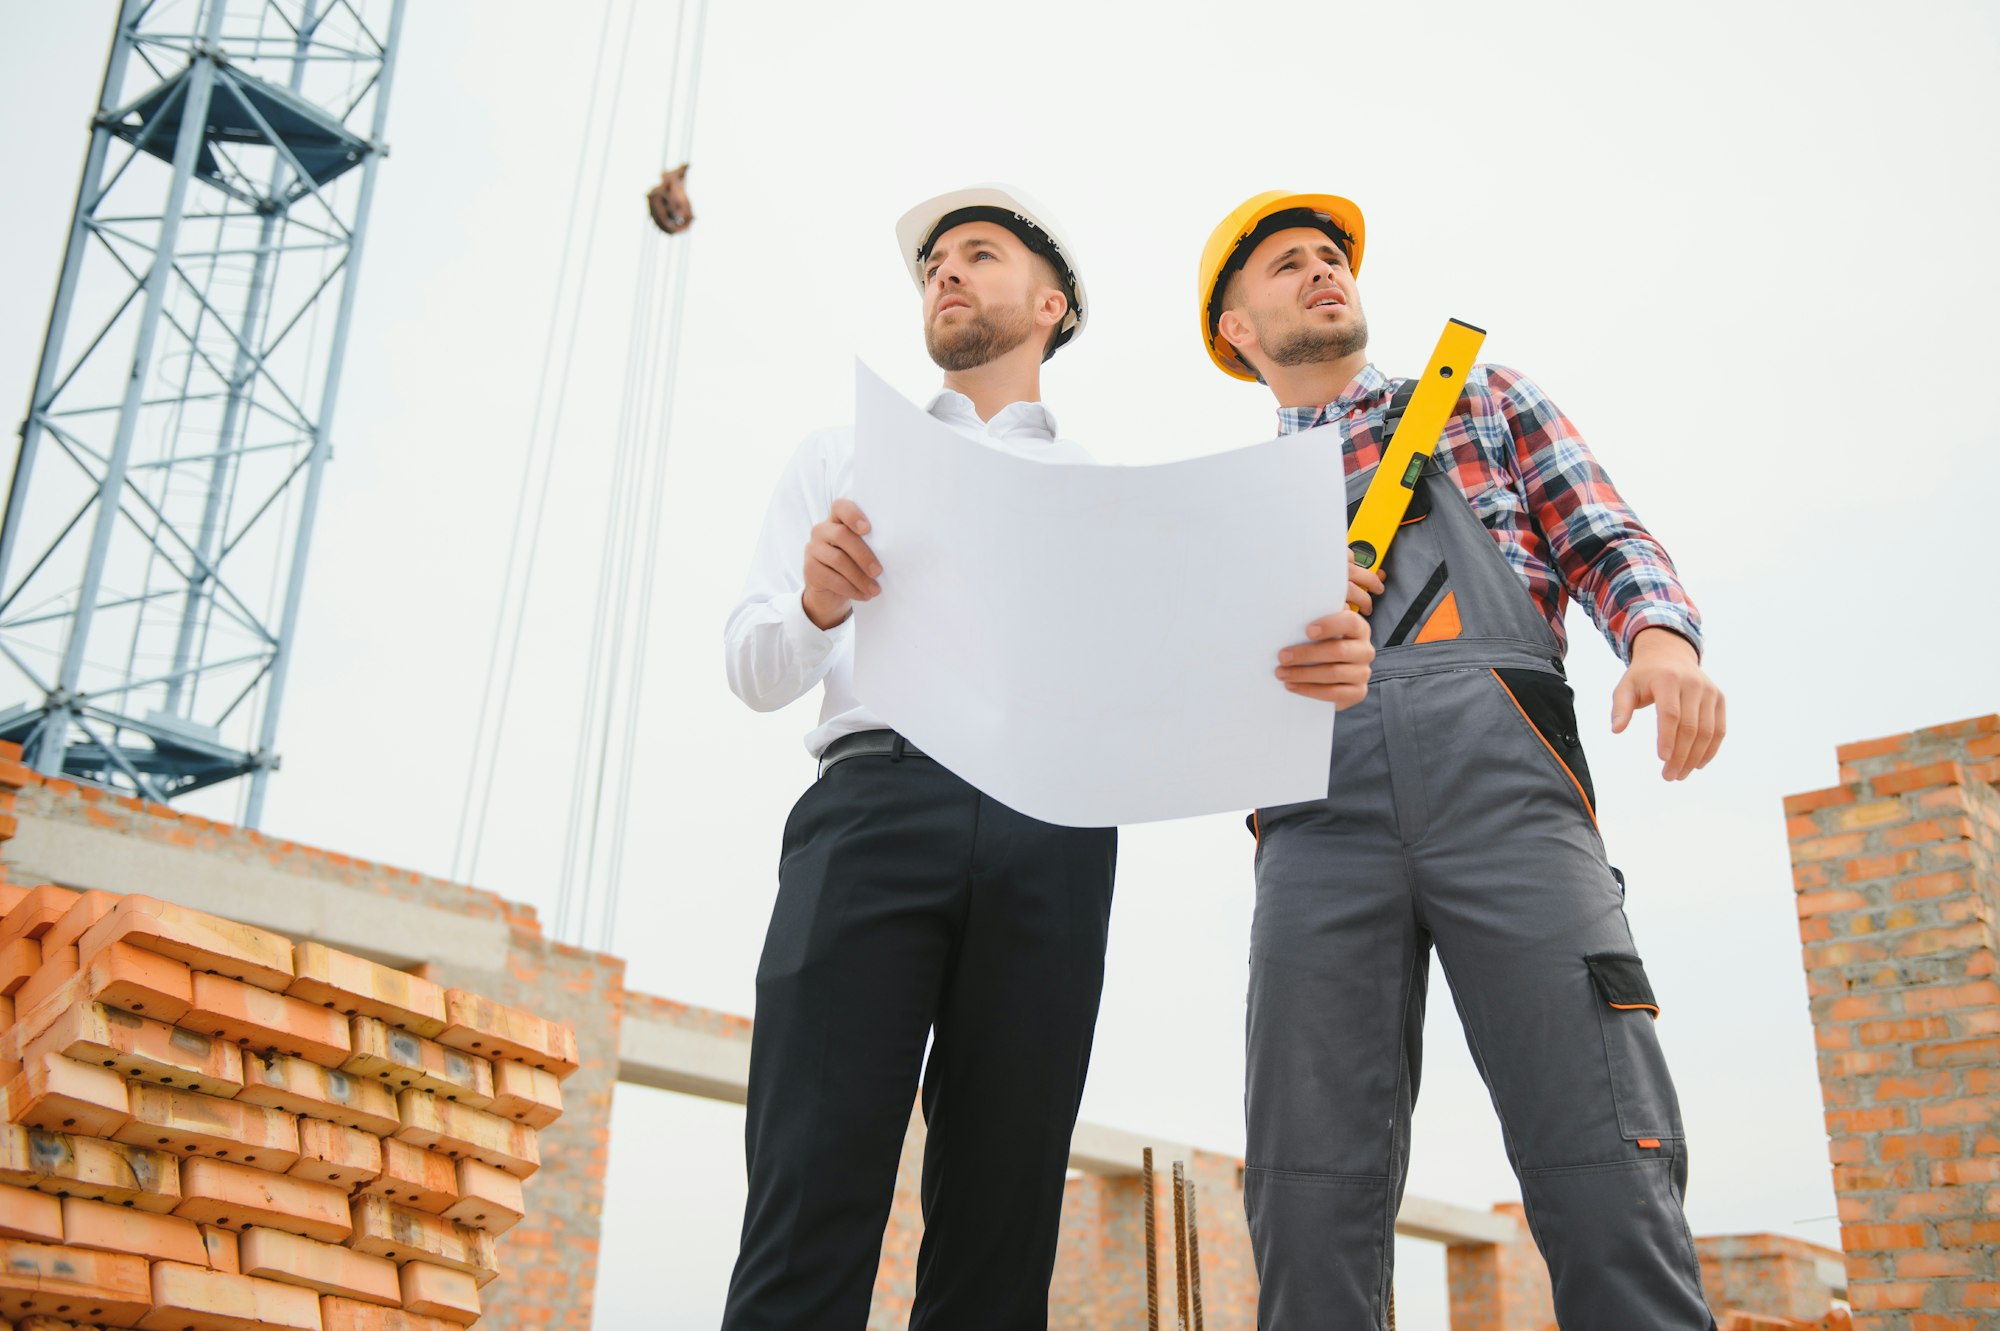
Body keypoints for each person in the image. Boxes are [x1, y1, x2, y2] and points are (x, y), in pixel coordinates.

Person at [719, 183, 1376, 1329]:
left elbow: (1191, 677)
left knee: (1004, 1200)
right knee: (808, 1176)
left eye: (975, 254)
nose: (945, 276)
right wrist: (819, 601)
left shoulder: (1104, 496)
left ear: (1048, 303)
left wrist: (1313, 661)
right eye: (931, 267)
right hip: (873, 805)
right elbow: (753, 664)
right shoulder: (841, 455)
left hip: (1055, 830)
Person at [1199, 190, 1726, 1330]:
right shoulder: (1228, 508)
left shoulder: (1475, 395)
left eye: (1330, 254)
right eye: (1286, 264)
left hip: (1511, 804)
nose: (1321, 269)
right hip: (1316, 829)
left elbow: (1602, 537)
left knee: (1603, 1152)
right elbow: (1194, 707)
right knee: (1306, 1183)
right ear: (1235, 330)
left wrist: (1660, 639)